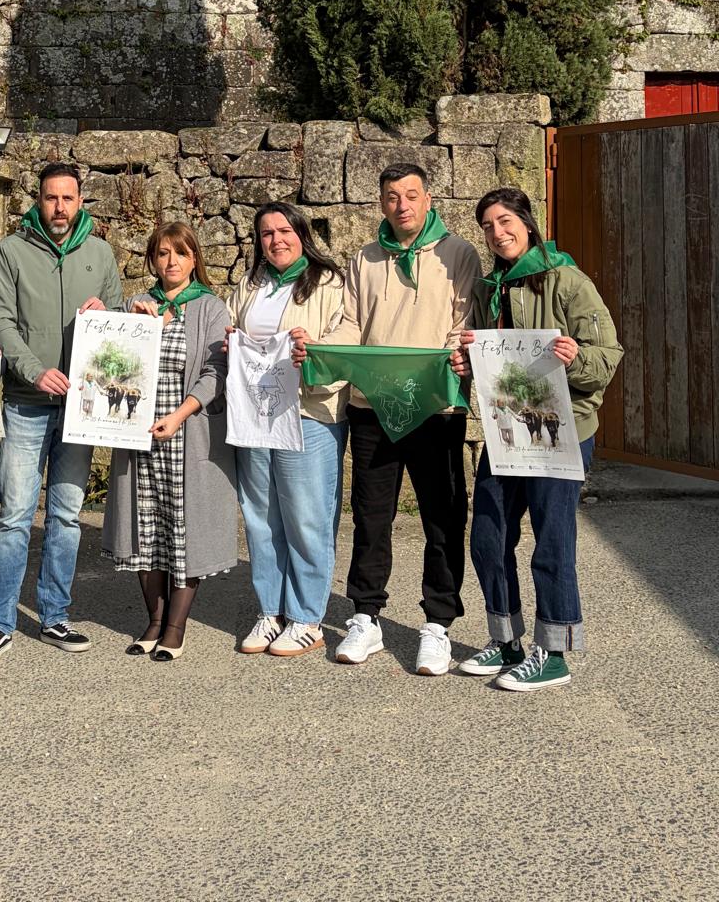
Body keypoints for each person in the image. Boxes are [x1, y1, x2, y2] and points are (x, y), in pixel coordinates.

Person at [452, 186, 622, 691]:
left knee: (552, 540)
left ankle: (554, 653)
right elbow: (489, 364)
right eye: (488, 226)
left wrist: (576, 357)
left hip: (561, 430)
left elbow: (607, 356)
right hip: (507, 430)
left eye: (505, 221)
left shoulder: (567, 280)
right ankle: (506, 641)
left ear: (527, 223)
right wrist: (467, 362)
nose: (497, 232)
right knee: (488, 535)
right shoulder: (489, 289)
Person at [323, 163, 482, 676]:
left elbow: (463, 326)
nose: (402, 205)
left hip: (434, 407)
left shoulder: (459, 253)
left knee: (443, 517)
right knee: (370, 517)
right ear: (381, 204)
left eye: (411, 195)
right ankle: (365, 616)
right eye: (392, 196)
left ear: (428, 199)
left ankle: (437, 624)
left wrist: (448, 361)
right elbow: (350, 325)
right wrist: (322, 349)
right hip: (372, 406)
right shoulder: (365, 257)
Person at [0, 162, 123, 665]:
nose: (60, 207)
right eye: (51, 198)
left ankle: (55, 615)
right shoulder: (10, 251)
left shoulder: (100, 254)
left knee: (66, 517)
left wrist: (109, 316)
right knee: (14, 517)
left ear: (80, 202)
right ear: (38, 200)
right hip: (26, 403)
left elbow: (120, 323)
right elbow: (1, 321)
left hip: (81, 408)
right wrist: (34, 371)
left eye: (68, 198)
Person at [102, 222, 237, 660]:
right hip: (139, 438)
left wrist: (179, 417)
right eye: (162, 253)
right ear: (153, 261)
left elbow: (216, 372)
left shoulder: (211, 308)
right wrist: (117, 320)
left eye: (180, 253)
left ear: (194, 259)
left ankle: (175, 627)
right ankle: (153, 621)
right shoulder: (136, 305)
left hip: (186, 434)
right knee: (145, 530)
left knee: (183, 529)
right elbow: (107, 356)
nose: (171, 261)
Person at [228, 202, 348, 658]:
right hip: (256, 416)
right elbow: (229, 324)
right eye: (266, 234)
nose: (276, 240)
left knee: (306, 517)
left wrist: (314, 351)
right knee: (261, 516)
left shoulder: (329, 283)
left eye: (284, 231)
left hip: (308, 414)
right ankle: (270, 610)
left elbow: (346, 339)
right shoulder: (250, 283)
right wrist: (228, 340)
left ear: (302, 234)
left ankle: (306, 617)